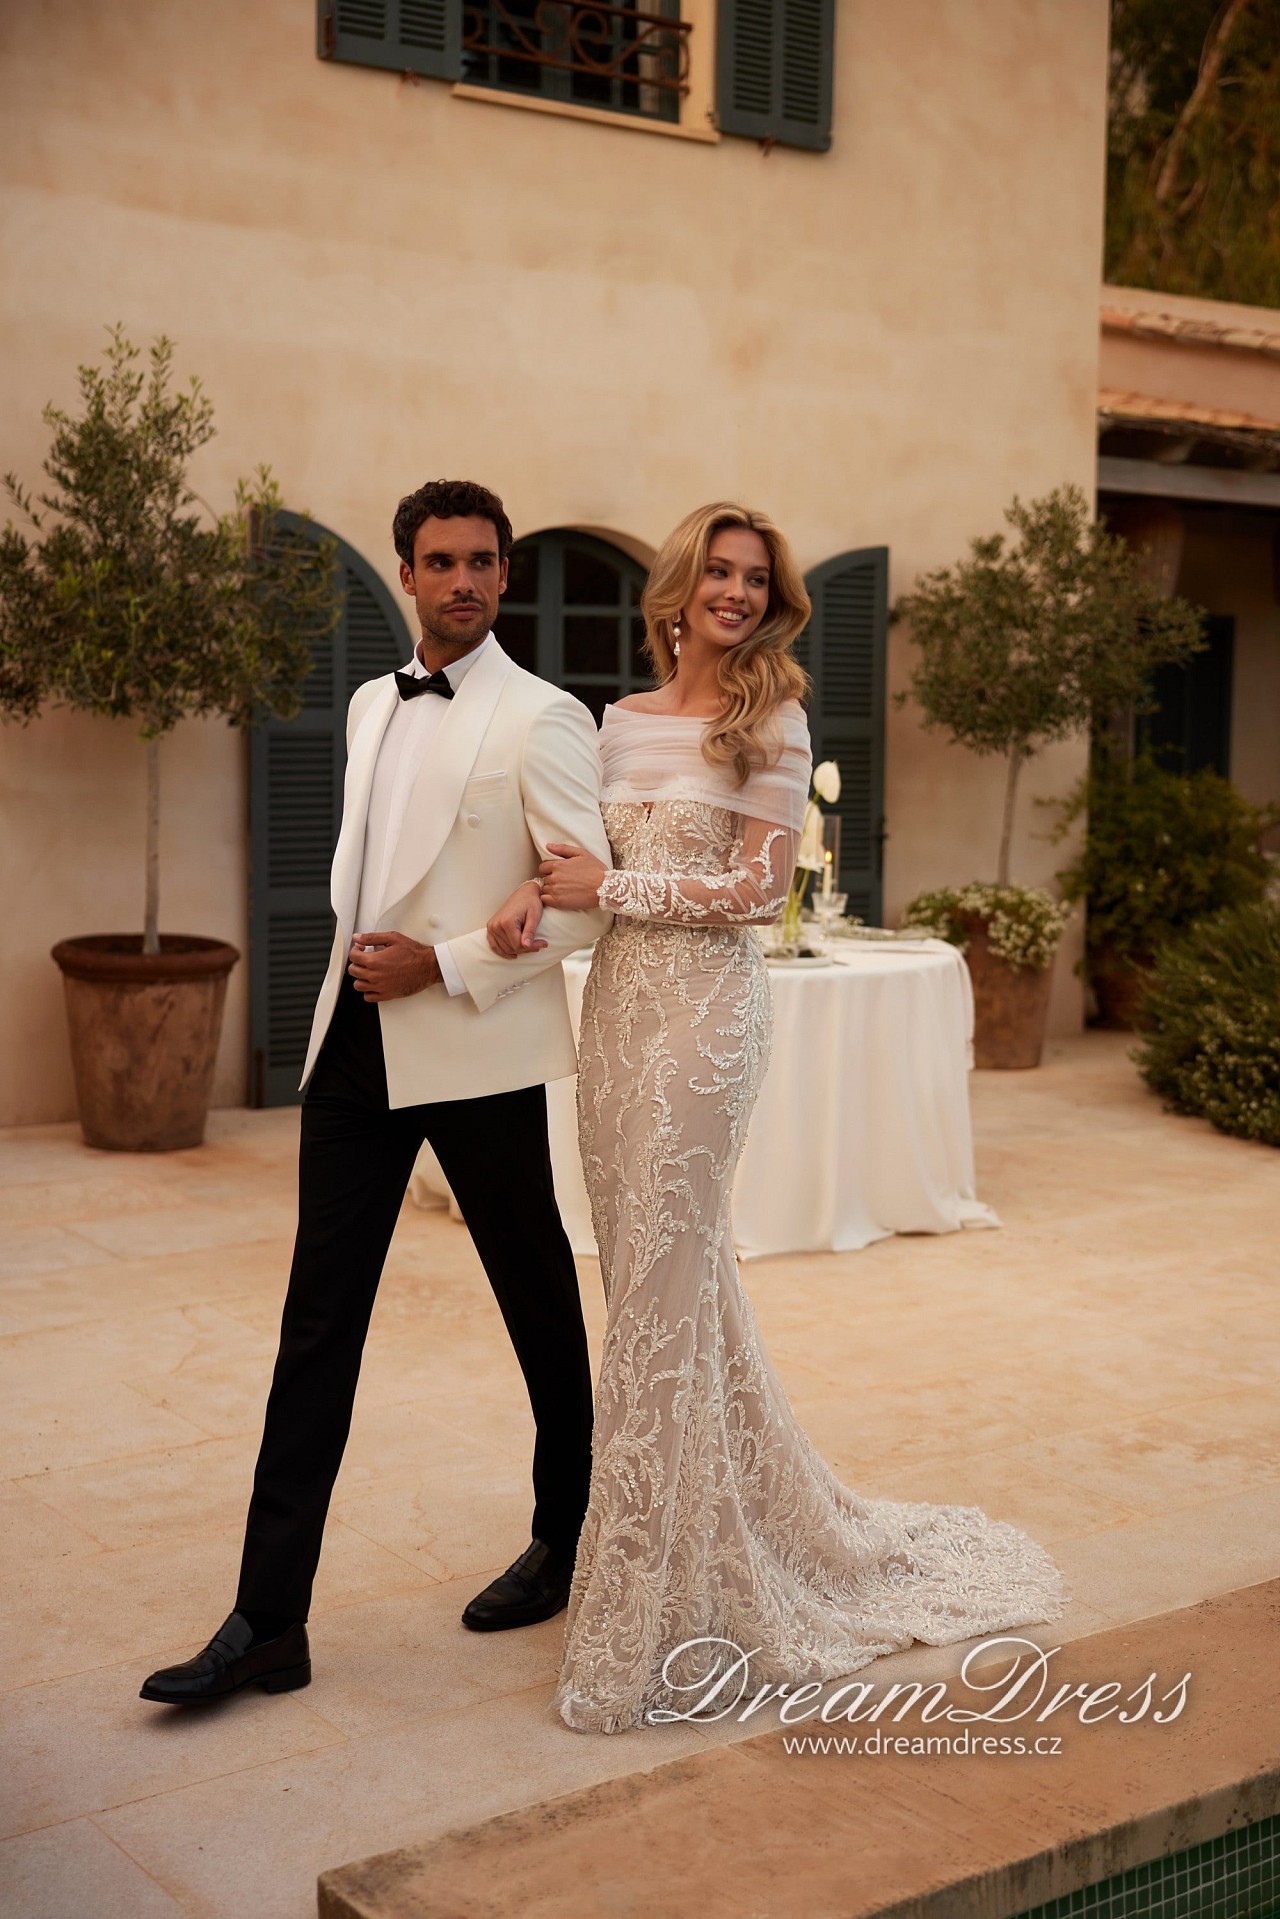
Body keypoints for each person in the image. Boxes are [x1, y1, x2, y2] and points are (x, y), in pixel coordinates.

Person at [486, 502, 1067, 1734]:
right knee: (653, 1283)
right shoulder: (614, 721)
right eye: (718, 571)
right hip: (617, 1018)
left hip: (706, 1020)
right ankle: (700, 1531)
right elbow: (576, 870)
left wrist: (613, 882)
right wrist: (530, 899)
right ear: (678, 586)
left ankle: (638, 1604)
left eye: (754, 578)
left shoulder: (773, 718)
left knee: (660, 1290)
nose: (736, 592)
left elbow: (754, 890)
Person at [140, 480, 612, 1706]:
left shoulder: (544, 715)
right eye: (440, 560)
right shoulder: (366, 703)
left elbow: (584, 906)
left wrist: (441, 965)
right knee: (317, 1325)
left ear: (504, 574)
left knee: (535, 1299)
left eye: (482, 560)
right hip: (352, 1042)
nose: (463, 580)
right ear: (405, 573)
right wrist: (377, 976)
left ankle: (566, 1536)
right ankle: (268, 1619)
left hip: (473, 1045)